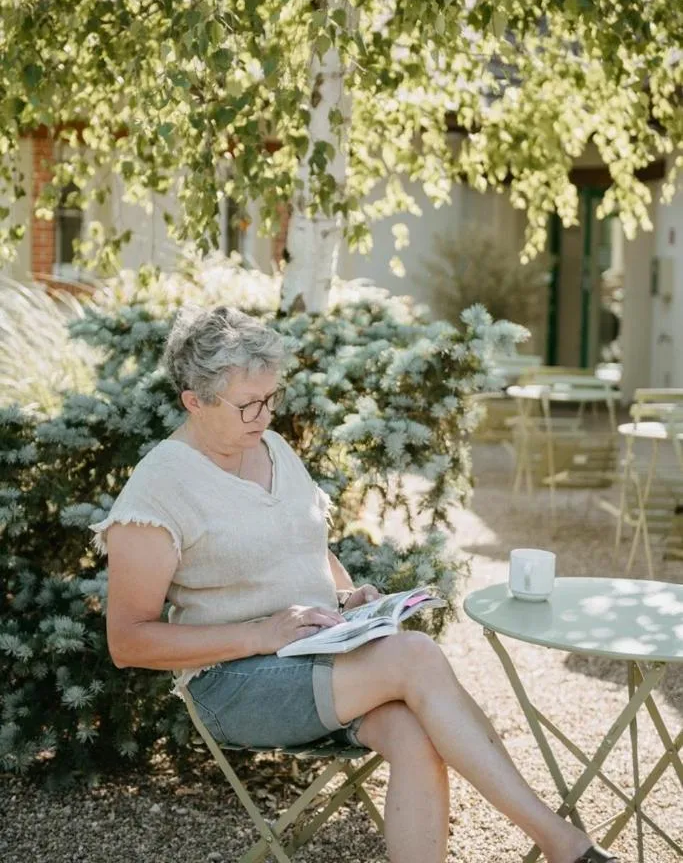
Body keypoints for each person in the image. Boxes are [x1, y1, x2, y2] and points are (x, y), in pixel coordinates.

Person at [91, 305, 618, 863]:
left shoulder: (271, 449)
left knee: (413, 735)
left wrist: (348, 597)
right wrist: (261, 632)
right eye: (249, 404)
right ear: (194, 401)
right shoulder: (159, 490)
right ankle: (564, 845)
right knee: (415, 656)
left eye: (271, 398)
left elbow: (306, 544)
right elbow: (128, 643)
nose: (264, 415)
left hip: (312, 658)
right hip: (233, 684)